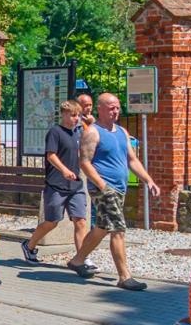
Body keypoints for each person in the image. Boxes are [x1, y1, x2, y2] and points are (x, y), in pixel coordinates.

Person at [65, 92, 160, 290]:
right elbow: (85, 162)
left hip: (119, 188)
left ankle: (77, 260)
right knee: (118, 229)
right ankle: (125, 277)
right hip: (104, 189)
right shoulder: (93, 132)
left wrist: (148, 180)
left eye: (117, 107)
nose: (115, 111)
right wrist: (102, 185)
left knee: (102, 227)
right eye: (111, 108)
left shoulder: (122, 132)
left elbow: (132, 160)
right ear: (100, 109)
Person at [21, 101, 88, 263]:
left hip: (75, 185)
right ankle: (29, 245)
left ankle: (82, 259)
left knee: (80, 221)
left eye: (78, 115)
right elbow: (51, 155)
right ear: (63, 114)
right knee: (52, 222)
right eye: (73, 115)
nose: (76, 118)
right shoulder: (55, 132)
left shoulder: (79, 133)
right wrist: (64, 170)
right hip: (56, 185)